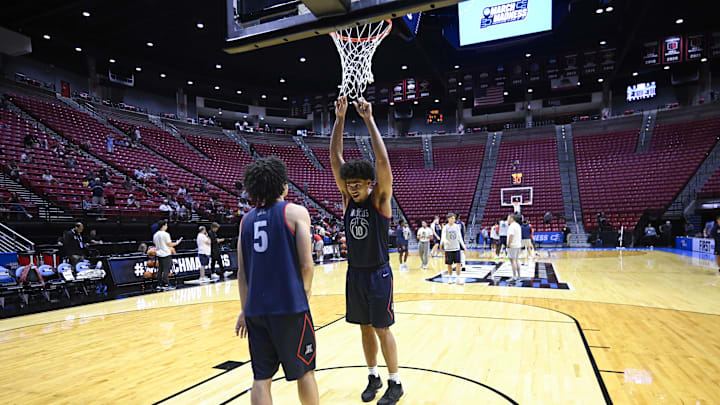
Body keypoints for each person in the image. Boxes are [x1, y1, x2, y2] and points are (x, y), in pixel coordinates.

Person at [330, 96, 403, 404]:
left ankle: (395, 381)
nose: (353, 187)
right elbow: (335, 156)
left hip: (378, 273)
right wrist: (340, 118)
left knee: (382, 329)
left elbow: (383, 163)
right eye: (350, 184)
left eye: (359, 183)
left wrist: (370, 119)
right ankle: (372, 375)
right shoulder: (348, 201)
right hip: (355, 275)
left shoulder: (379, 201)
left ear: (370, 184)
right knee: (363, 328)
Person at [234, 157, 319, 405]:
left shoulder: (246, 221)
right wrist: (304, 293)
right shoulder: (295, 212)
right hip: (290, 308)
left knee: (261, 378)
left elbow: (242, 272)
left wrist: (244, 309)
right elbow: (306, 263)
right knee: (304, 371)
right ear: (282, 184)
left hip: (256, 312)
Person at [152, 220, 183, 291]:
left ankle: (159, 284)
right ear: (163, 226)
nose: (167, 226)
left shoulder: (155, 234)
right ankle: (166, 284)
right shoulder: (165, 234)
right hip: (165, 253)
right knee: (166, 270)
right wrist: (177, 243)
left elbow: (155, 244)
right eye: (166, 225)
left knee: (160, 270)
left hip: (159, 253)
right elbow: (169, 244)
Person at [441, 213, 466, 284]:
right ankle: (450, 278)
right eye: (452, 218)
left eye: (454, 218)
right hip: (448, 249)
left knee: (458, 263)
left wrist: (463, 246)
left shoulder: (457, 226)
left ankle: (458, 278)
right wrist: (445, 241)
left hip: (456, 248)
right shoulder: (445, 227)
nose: (453, 219)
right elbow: (443, 236)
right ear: (448, 219)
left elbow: (460, 237)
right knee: (449, 264)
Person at [506, 214, 522, 282]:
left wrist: (508, 245)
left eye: (508, 218)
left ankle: (514, 276)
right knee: (516, 260)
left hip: (512, 245)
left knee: (513, 261)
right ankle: (518, 276)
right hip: (518, 245)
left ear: (512, 218)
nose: (507, 219)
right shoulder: (517, 225)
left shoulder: (512, 226)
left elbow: (511, 236)